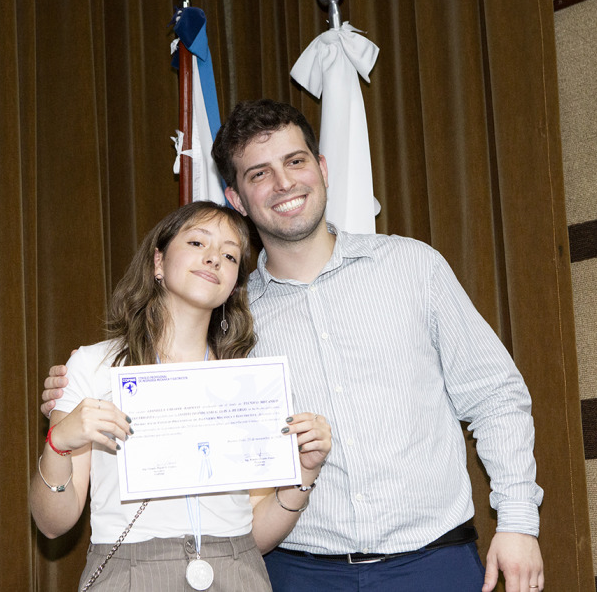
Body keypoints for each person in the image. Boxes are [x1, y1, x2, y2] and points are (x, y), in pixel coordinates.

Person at [42, 100, 545, 592]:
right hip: (296, 572)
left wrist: (518, 521)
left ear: (321, 168)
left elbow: (495, 396)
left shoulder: (413, 267)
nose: (283, 183)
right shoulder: (232, 327)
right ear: (237, 199)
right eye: (259, 173)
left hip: (433, 563)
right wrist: (72, 400)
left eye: (295, 161)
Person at [30, 201, 332, 592]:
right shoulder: (93, 366)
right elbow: (52, 524)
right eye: (197, 242)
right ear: (158, 262)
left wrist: (304, 473)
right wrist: (58, 444)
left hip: (237, 572)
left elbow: (255, 534)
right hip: (131, 573)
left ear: (233, 284)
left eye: (229, 255)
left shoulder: (253, 384)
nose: (214, 258)